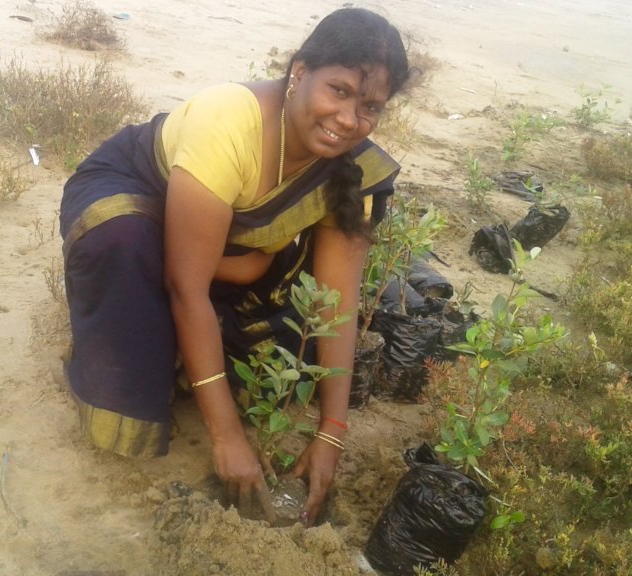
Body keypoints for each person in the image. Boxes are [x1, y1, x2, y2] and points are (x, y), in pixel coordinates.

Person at [59, 7, 411, 525]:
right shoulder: (228, 122)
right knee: (130, 250)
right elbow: (187, 287)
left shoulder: (350, 165)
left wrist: (332, 429)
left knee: (284, 326)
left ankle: (212, 286)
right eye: (337, 90)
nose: (348, 120)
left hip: (216, 233)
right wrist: (226, 437)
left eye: (370, 106)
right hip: (137, 196)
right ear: (298, 73)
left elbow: (336, 306)